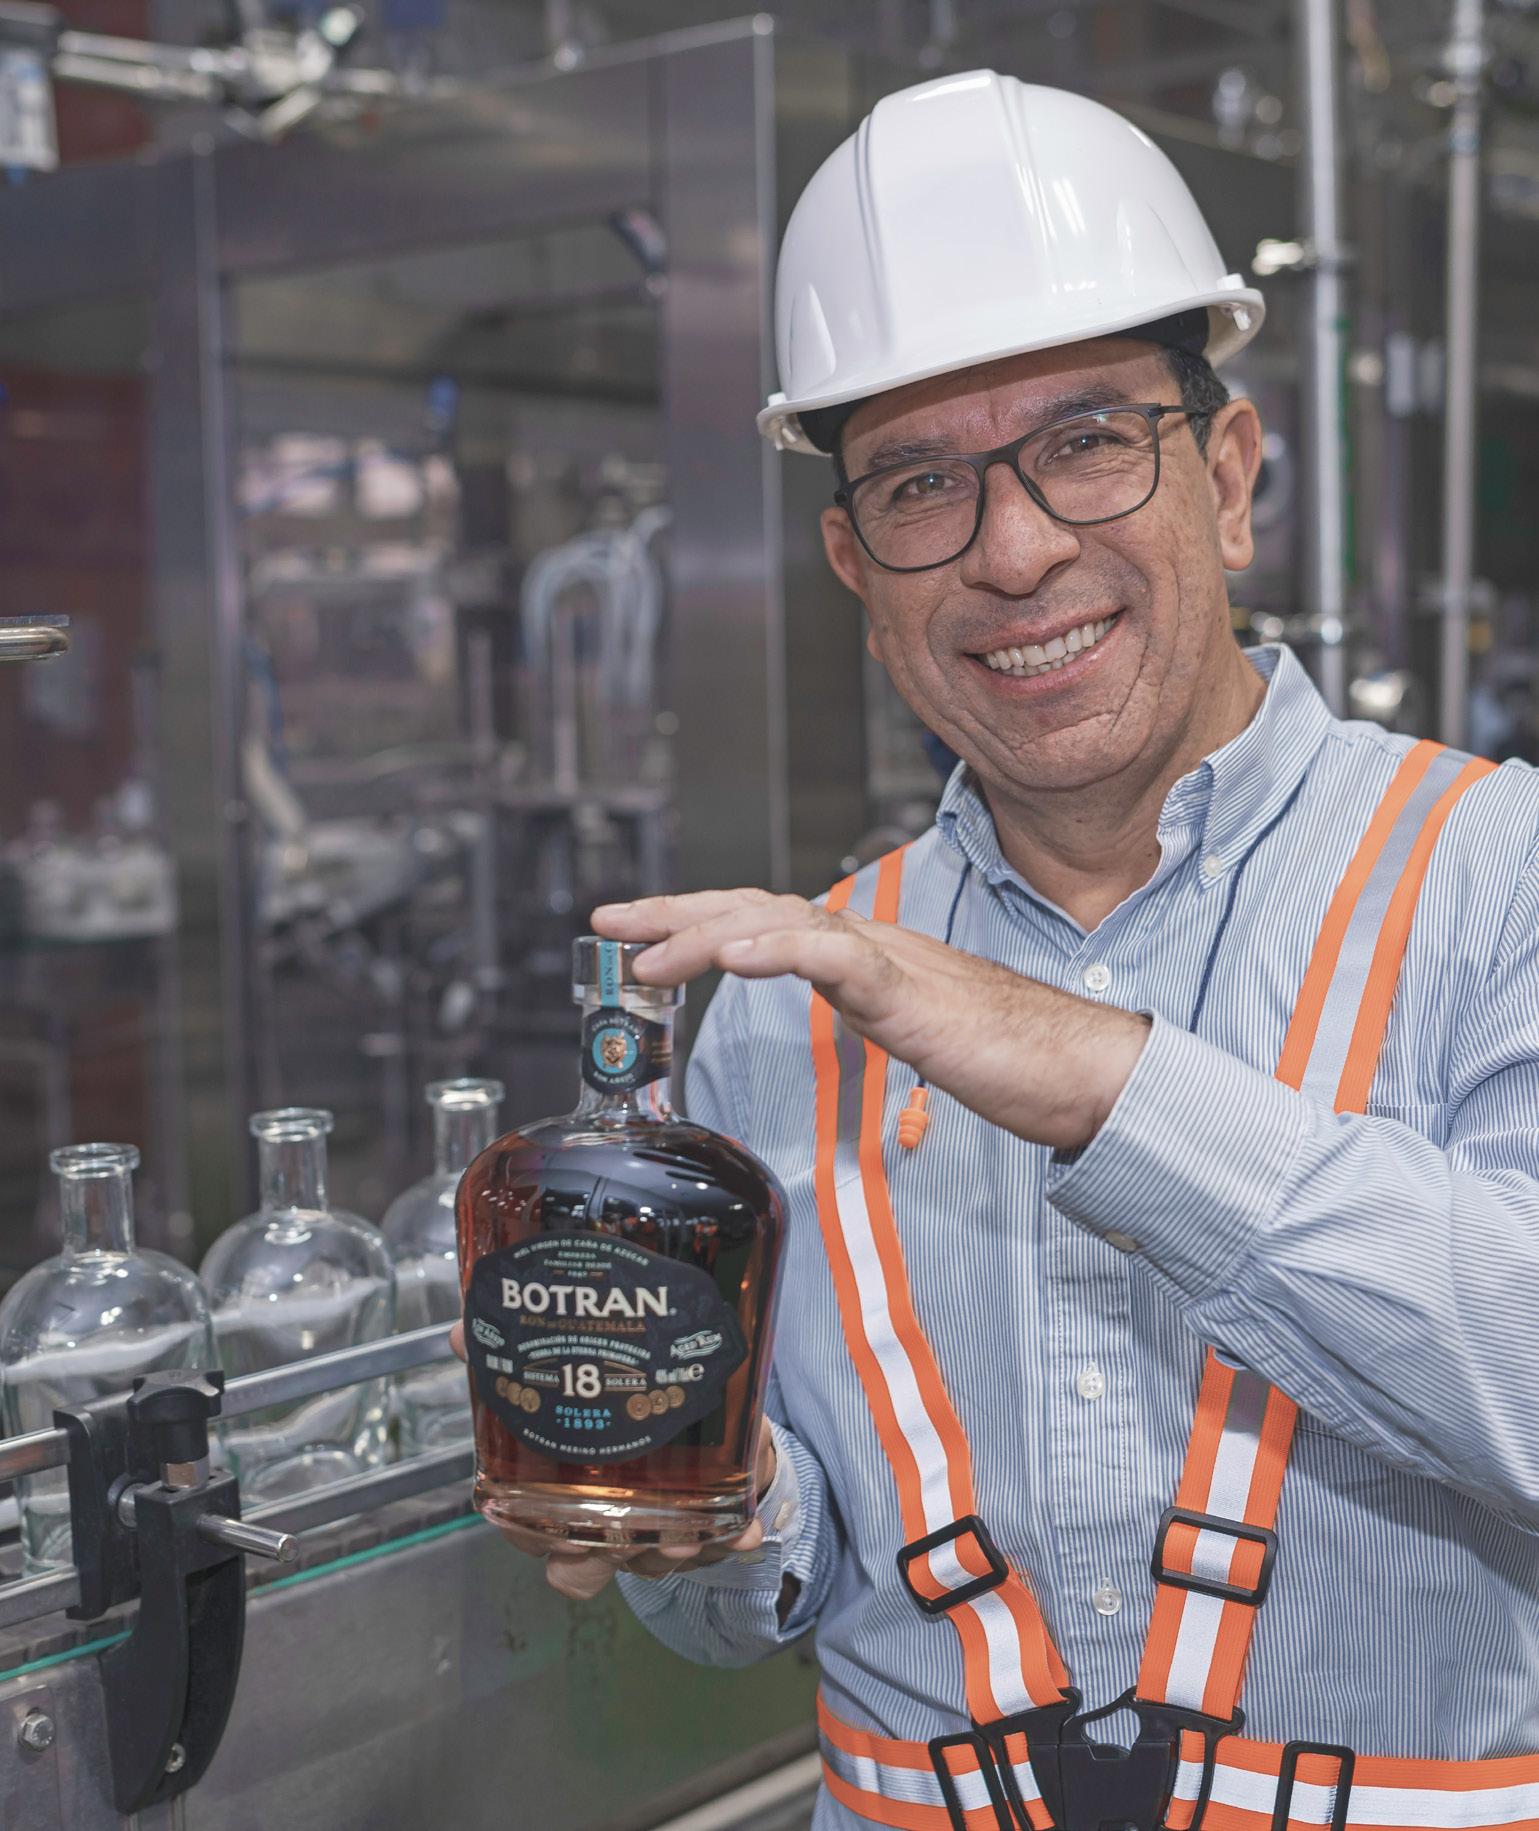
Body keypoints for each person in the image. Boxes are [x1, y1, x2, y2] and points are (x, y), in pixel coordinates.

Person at [468, 73, 1539, 1831]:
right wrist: (696, 1499)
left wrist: (1105, 1081)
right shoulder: (787, 1006)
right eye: (920, 486)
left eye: (1090, 440)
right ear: (855, 567)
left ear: (1231, 478)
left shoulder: (1501, 873)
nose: (1019, 550)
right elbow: (755, 1605)